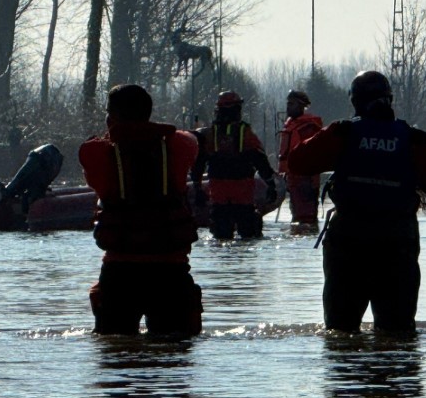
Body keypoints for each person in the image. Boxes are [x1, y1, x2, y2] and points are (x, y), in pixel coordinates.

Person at [288, 70, 426, 333]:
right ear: (389, 100)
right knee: (398, 333)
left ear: (355, 102)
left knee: (340, 333)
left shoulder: (342, 133)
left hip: (348, 242)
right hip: (397, 243)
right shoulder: (414, 139)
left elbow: (297, 162)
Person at [79, 84, 202, 336]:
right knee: (173, 359)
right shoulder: (180, 145)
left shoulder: (94, 152)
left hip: (119, 273)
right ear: (149, 112)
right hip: (171, 272)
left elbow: (95, 165)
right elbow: (190, 138)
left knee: (116, 354)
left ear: (110, 117)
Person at [191, 90, 278, 239]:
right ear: (237, 109)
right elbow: (260, 160)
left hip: (219, 192)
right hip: (242, 190)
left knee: (221, 234)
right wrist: (270, 183)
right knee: (248, 233)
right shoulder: (245, 132)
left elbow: (199, 163)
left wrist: (197, 187)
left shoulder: (210, 134)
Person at [277, 89, 324, 230]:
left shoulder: (308, 128)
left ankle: (306, 237)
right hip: (293, 178)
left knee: (305, 218)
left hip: (305, 179)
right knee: (297, 216)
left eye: (291, 104)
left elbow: (313, 154)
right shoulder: (291, 125)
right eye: (288, 104)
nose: (288, 107)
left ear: (301, 106)